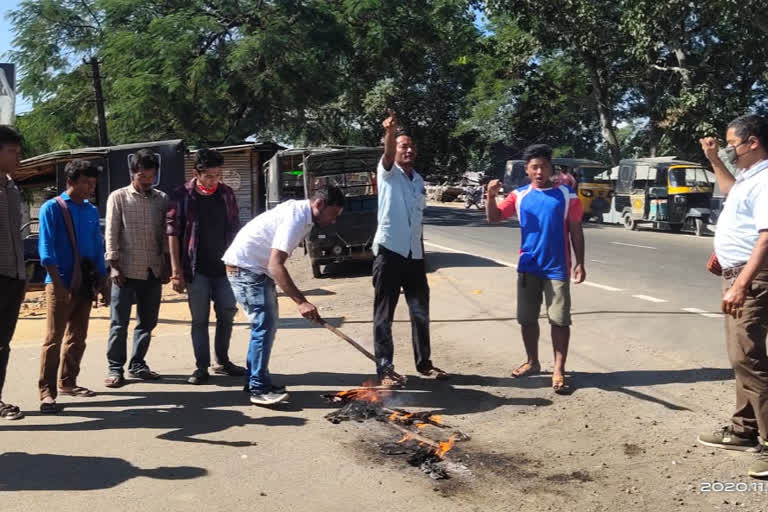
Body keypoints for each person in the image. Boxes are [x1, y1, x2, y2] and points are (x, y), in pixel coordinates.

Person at [222, 186, 344, 405]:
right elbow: (275, 265)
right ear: (319, 204)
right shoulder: (297, 218)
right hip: (246, 270)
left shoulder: (302, 215)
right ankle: (258, 389)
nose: (333, 221)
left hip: (252, 269)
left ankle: (256, 381)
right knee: (264, 327)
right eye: (333, 214)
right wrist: (301, 301)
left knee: (264, 327)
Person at [697, 114, 768, 479]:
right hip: (736, 272)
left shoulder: (766, 178)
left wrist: (741, 282)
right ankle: (744, 430)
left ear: (753, 142)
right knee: (740, 356)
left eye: (732, 146)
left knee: (748, 358)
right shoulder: (748, 177)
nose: (729, 151)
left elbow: (767, 236)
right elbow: (728, 191)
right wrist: (714, 160)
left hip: (751, 277)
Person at [486, 144, 586, 394]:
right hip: (529, 267)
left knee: (560, 321)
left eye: (544, 166)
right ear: (527, 171)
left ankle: (559, 369)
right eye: (534, 167)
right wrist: (489, 195)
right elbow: (494, 217)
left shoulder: (567, 196)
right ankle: (532, 361)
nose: (539, 171)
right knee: (527, 319)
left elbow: (576, 230)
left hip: (557, 269)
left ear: (551, 168)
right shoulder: (519, 196)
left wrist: (580, 262)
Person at [371, 111, 448, 388]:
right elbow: (388, 154)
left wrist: (423, 254)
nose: (409, 150)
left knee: (420, 311)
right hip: (389, 253)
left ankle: (424, 363)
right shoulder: (387, 172)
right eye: (404, 145)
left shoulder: (418, 180)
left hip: (414, 256)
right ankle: (385, 368)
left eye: (411, 146)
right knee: (384, 315)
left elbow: (418, 221)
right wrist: (391, 132)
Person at [167, 148, 245, 384]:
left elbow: (235, 229)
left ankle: (222, 360)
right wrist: (176, 272)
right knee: (199, 320)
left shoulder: (227, 194)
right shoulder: (182, 195)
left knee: (226, 315)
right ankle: (201, 367)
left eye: (217, 175)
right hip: (195, 269)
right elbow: (172, 232)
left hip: (224, 269)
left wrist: (239, 263)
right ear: (196, 173)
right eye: (209, 176)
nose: (214, 181)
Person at [38, 159, 108, 413]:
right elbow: (45, 250)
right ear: (70, 182)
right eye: (86, 182)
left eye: (93, 183)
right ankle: (47, 392)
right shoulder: (52, 208)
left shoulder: (90, 211)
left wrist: (103, 279)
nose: (91, 187)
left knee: (78, 337)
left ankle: (69, 382)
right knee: (53, 339)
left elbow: (97, 248)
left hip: (86, 283)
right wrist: (58, 285)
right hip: (60, 283)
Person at [104, 149, 170, 388]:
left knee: (148, 321)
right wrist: (114, 266)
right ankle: (115, 368)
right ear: (133, 173)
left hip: (153, 269)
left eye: (151, 177)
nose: (147, 182)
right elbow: (111, 232)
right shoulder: (118, 197)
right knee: (119, 322)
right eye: (143, 177)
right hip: (125, 270)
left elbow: (164, 234)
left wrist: (166, 264)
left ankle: (138, 364)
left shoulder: (161, 199)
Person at [0, 125, 26, 420]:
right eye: (12, 152)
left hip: (14, 276)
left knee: (2, 344)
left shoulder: (12, 188)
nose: (18, 158)